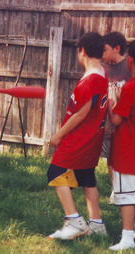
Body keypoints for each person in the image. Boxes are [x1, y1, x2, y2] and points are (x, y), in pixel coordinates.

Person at [47, 32, 109, 240]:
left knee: (55, 172)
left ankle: (74, 221)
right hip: (93, 137)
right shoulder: (102, 72)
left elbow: (80, 114)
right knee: (87, 178)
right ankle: (97, 223)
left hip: (80, 137)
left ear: (82, 51)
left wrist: (58, 135)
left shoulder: (89, 81)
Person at [107, 39, 135, 250]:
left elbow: (117, 119)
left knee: (126, 195)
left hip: (128, 149)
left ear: (130, 60)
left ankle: (127, 239)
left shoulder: (131, 86)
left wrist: (112, 101)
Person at [100, 32, 131, 201]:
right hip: (107, 123)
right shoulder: (102, 68)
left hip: (126, 123)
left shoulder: (129, 67)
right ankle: (116, 189)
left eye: (104, 50)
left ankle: (128, 188)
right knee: (110, 157)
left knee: (125, 157)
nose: (101, 53)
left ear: (117, 48)